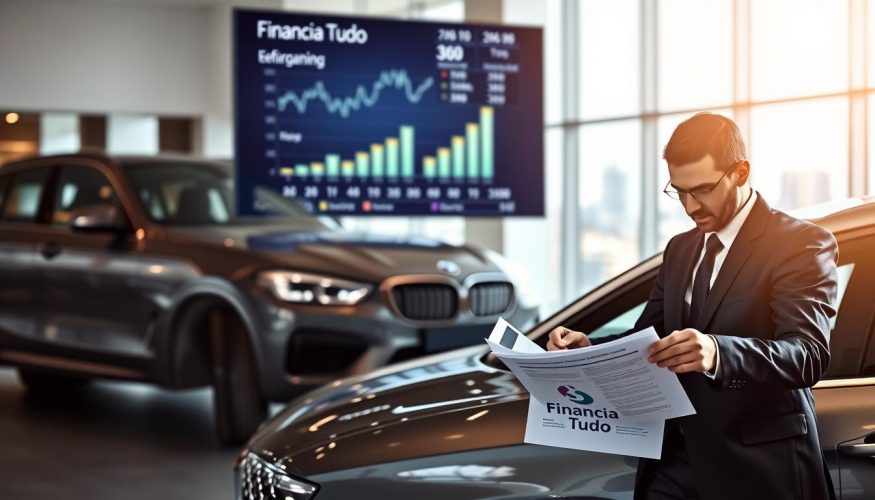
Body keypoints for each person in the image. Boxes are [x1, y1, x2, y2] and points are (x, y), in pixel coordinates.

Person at [547, 112, 838, 500]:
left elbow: (807, 355)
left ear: (740, 172)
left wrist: (717, 352)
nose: (690, 205)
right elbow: (647, 338)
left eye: (701, 189)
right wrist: (591, 347)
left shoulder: (799, 244)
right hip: (670, 464)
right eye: (679, 191)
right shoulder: (680, 249)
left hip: (755, 468)